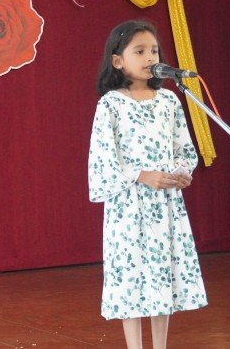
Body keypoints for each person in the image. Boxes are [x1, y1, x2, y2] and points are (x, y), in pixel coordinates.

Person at [88, 20, 207, 349]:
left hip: (165, 204)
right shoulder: (111, 104)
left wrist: (182, 171)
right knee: (133, 277)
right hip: (128, 206)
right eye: (139, 51)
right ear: (117, 60)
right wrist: (141, 175)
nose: (150, 57)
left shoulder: (169, 101)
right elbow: (102, 158)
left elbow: (183, 149)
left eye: (154, 50)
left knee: (161, 273)